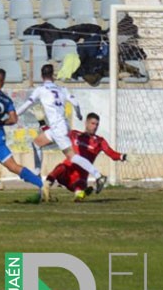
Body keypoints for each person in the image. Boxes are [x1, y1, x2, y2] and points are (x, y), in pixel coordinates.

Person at [16, 64, 106, 202]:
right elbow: (75, 103)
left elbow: (27, 104)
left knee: (72, 157)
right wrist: (79, 115)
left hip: (58, 128)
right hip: (61, 126)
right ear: (53, 75)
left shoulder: (40, 90)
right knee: (36, 143)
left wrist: (13, 115)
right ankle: (37, 173)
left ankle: (98, 175)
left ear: (42, 76)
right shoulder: (61, 89)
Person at [44, 113, 129, 202]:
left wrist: (125, 156)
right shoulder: (74, 134)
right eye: (92, 123)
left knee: (80, 188)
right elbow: (54, 135)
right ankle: (46, 187)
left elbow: (112, 154)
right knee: (61, 167)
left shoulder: (99, 141)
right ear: (86, 123)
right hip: (66, 173)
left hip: (79, 179)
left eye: (97, 124)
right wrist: (42, 122)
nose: (95, 127)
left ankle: (81, 194)